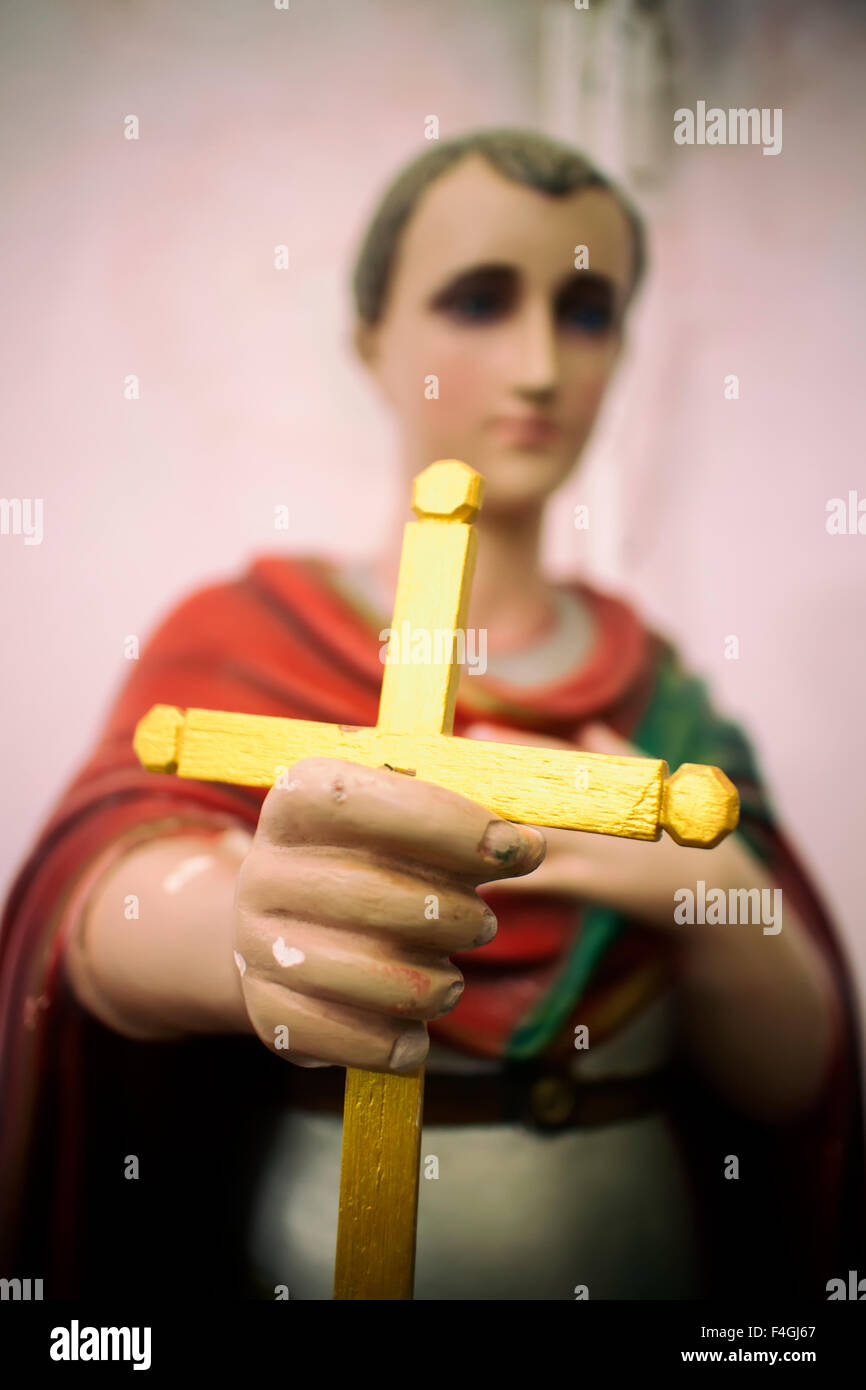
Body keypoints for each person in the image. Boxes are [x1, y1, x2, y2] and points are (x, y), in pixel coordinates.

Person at [1, 128, 863, 1301]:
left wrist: (688, 888)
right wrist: (244, 923)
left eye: (584, 310)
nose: (535, 365)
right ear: (371, 338)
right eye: (476, 299)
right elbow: (93, 901)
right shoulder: (245, 637)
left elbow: (789, 1080)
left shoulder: (652, 685)